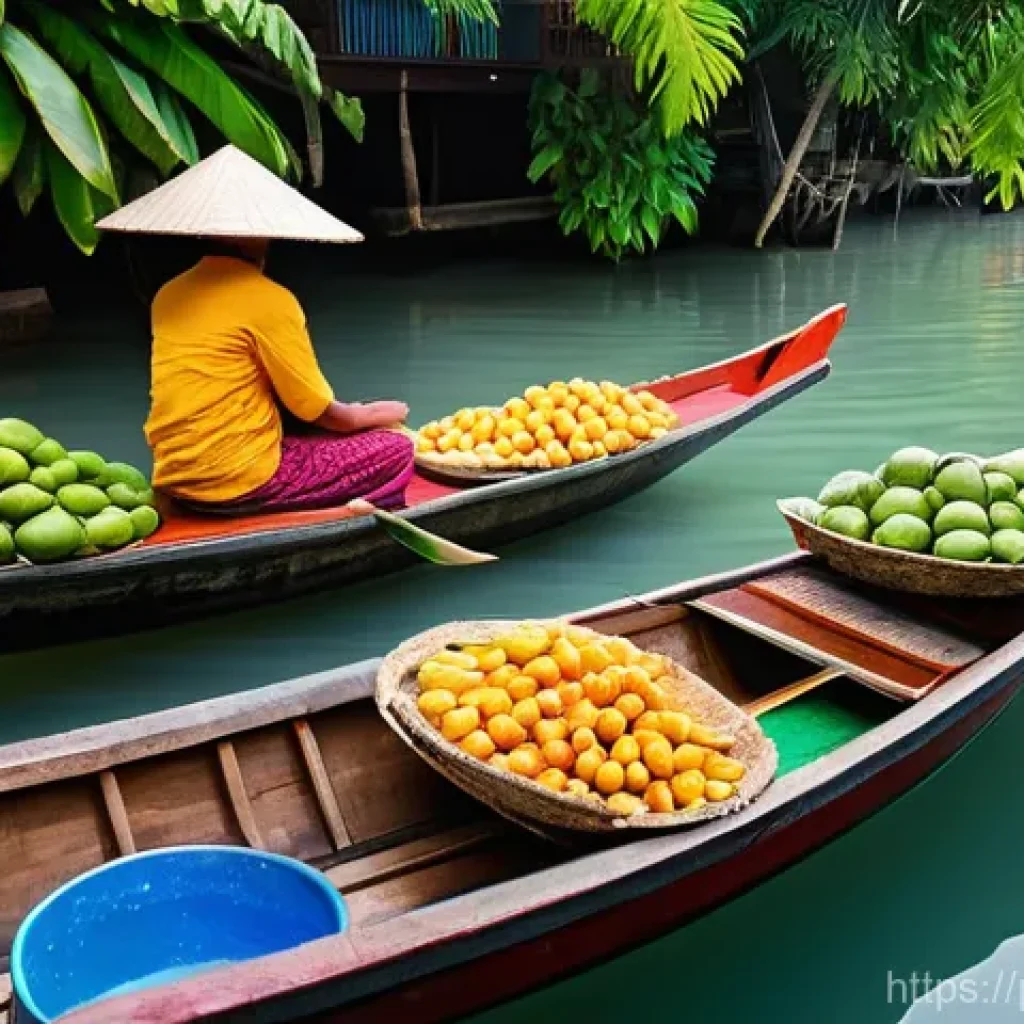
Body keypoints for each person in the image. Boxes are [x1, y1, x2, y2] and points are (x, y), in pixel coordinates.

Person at [96, 146, 415, 514]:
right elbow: (321, 412)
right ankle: (344, 515)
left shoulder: (168, 294)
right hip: (240, 479)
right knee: (396, 448)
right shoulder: (271, 300)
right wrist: (373, 414)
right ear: (263, 234)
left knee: (304, 432)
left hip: (175, 472)